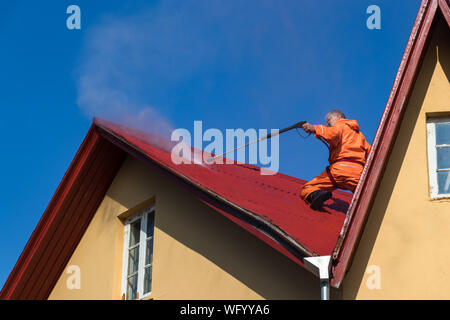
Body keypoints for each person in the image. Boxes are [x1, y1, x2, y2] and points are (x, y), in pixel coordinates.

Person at [300, 110, 371, 210]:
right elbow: (371, 154)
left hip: (339, 170)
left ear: (337, 117)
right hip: (357, 173)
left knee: (307, 188)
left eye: (328, 120)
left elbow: (332, 134)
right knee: (367, 197)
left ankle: (316, 195)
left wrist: (314, 128)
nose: (327, 124)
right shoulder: (360, 136)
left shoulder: (340, 125)